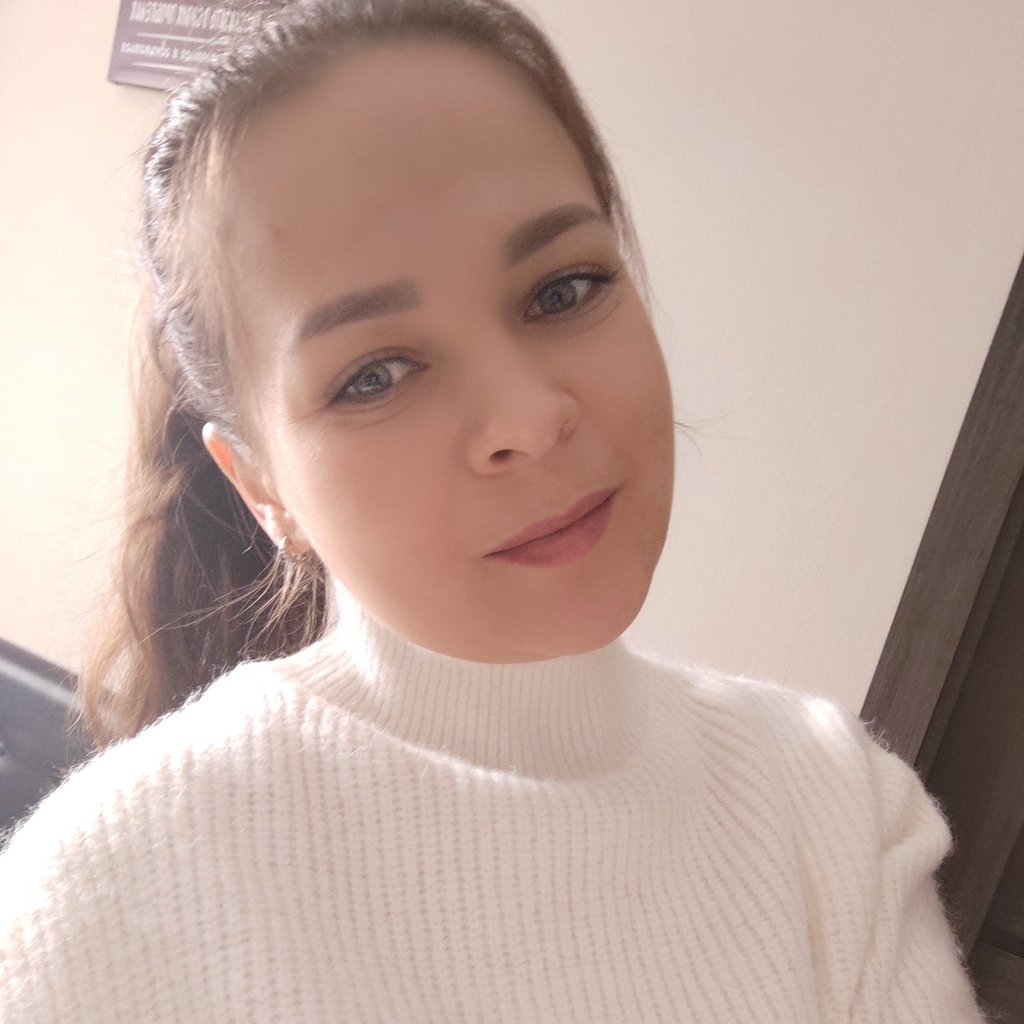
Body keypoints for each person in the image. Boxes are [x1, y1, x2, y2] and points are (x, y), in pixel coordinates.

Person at [0, 0, 987, 1020]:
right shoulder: (97, 905)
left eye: (563, 290)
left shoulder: (828, 807)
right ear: (260, 485)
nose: (528, 417)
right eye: (375, 375)